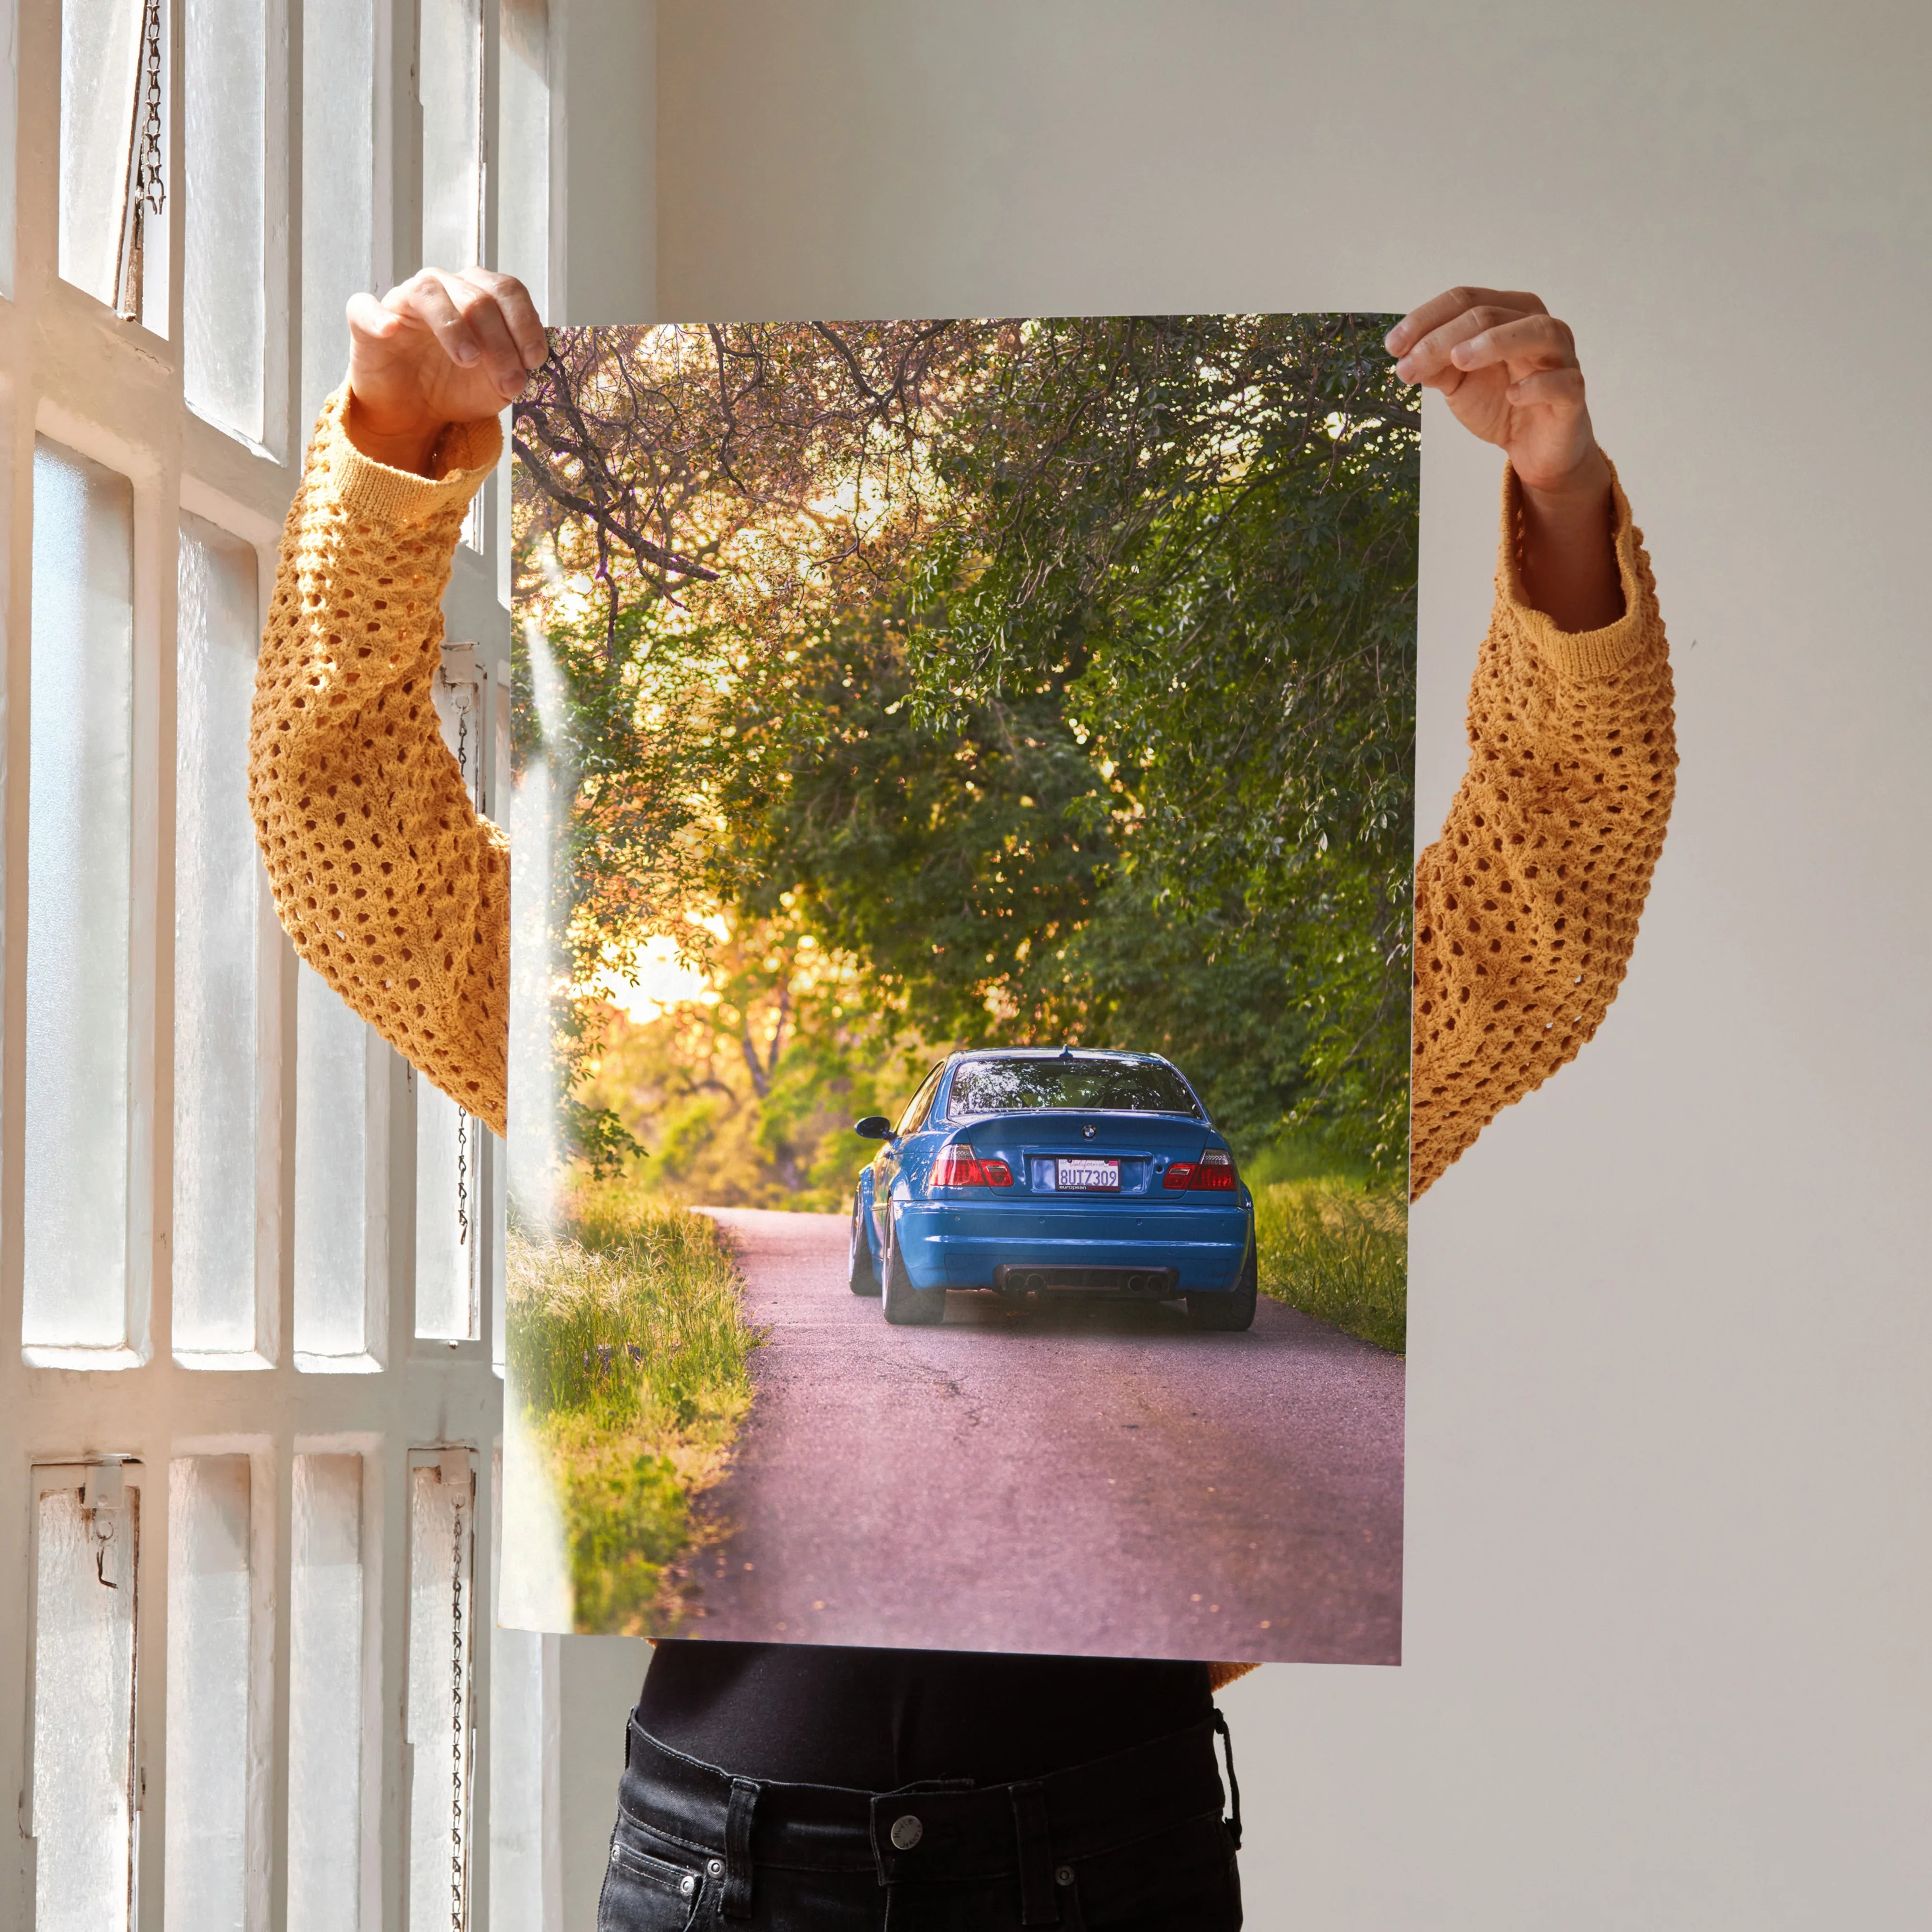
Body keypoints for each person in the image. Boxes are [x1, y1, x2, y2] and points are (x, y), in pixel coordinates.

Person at [250, 270, 1675, 1930]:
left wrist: (1559, 491)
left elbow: (1548, 895)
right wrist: (395, 440)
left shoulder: (1321, 1049)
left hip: (1103, 1852)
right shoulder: (592, 1036)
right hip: (731, 1868)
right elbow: (345, 836)